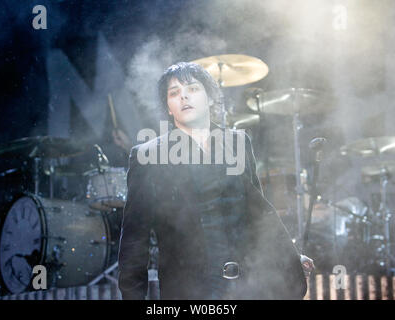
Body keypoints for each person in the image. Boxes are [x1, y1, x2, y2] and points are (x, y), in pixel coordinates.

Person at [118, 62, 313, 300]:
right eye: (174, 93)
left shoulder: (238, 142)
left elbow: (257, 215)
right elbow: (134, 242)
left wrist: (288, 258)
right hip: (188, 288)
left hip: (245, 284)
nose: (184, 97)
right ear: (169, 108)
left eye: (192, 88)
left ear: (210, 98)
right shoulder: (148, 155)